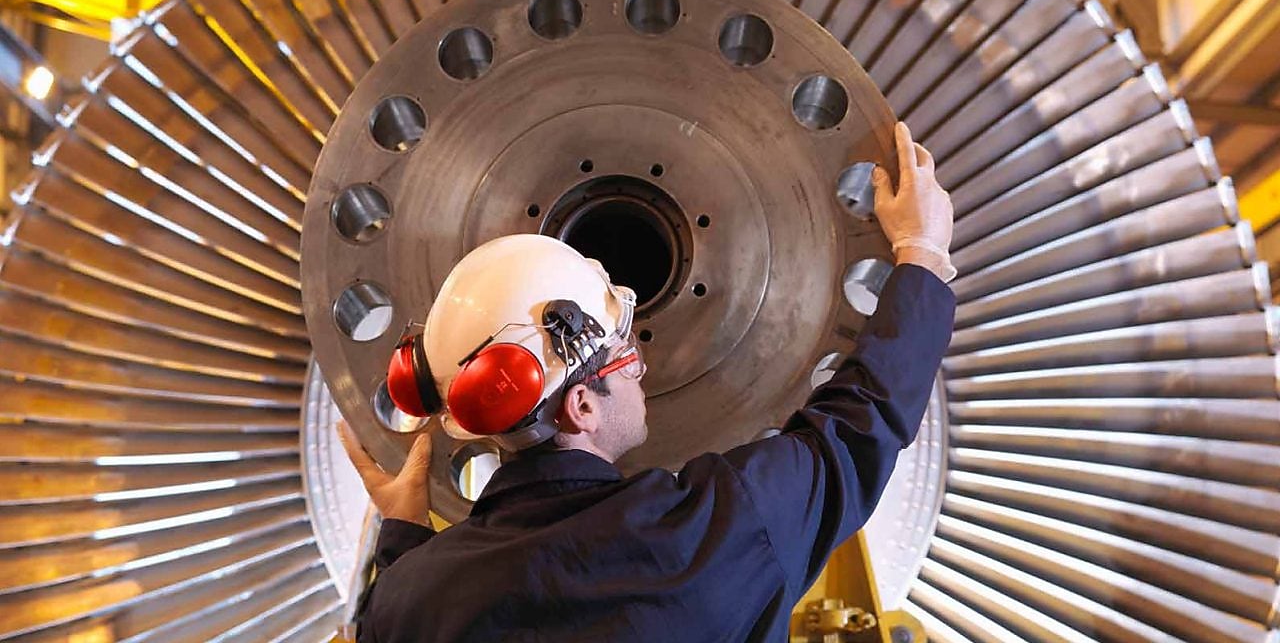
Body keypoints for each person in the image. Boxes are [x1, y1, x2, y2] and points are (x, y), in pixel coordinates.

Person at [338, 122, 956, 642]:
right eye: (625, 353)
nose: (642, 365)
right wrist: (921, 251)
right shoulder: (716, 533)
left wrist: (403, 542)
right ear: (580, 405)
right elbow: (858, 428)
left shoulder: (406, 603)